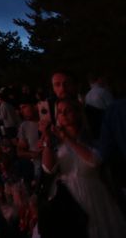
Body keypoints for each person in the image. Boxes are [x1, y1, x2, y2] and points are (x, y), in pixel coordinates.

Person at [40, 98, 126, 238]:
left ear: (78, 113)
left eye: (68, 110)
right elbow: (48, 168)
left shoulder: (92, 138)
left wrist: (67, 138)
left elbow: (94, 160)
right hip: (67, 197)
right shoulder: (56, 143)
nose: (63, 114)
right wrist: (47, 141)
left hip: (93, 196)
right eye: (60, 112)